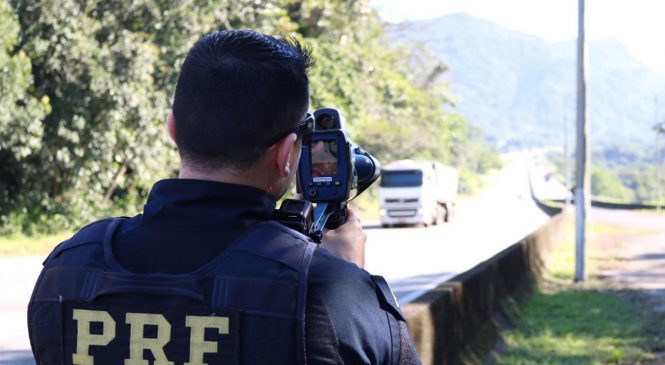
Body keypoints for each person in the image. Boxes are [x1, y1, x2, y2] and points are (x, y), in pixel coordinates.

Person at [28, 29, 421, 365]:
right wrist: (346, 280)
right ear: (285, 155)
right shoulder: (332, 294)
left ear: (172, 128)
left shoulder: (68, 268)